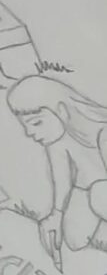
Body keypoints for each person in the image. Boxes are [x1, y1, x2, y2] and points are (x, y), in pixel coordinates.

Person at [8, 76, 107, 265]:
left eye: (36, 123)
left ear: (61, 110)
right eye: (25, 125)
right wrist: (56, 214)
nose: (29, 133)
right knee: (73, 239)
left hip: (100, 194)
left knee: (98, 194)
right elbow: (62, 181)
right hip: (92, 194)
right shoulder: (56, 141)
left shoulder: (103, 133)